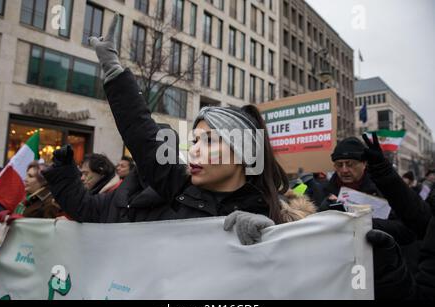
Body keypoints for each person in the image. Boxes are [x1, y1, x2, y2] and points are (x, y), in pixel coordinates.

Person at [41, 14, 315, 244]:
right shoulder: (179, 187)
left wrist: (269, 239)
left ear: (244, 153)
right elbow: (142, 134)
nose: (195, 151)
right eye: (194, 141)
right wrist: (114, 72)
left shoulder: (274, 218)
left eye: (209, 141)